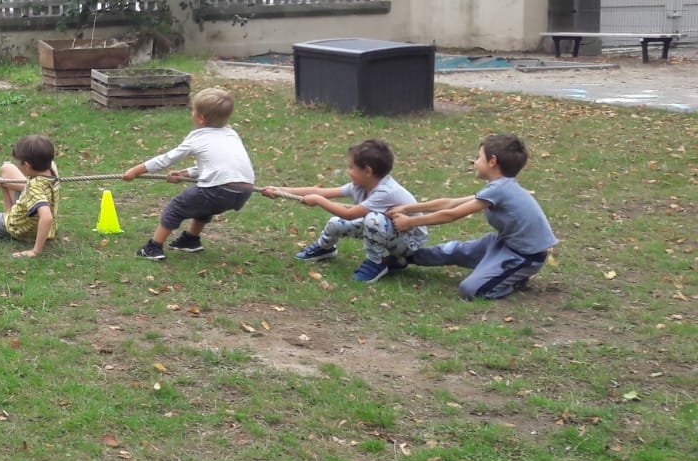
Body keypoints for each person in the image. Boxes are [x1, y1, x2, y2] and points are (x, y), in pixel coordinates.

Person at [387, 132, 557, 301]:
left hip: (524, 256)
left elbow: (451, 214)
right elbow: (450, 203)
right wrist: (406, 208)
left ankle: (513, 279)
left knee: (470, 290)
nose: (475, 163)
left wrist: (410, 222)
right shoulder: (499, 187)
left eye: (479, 157)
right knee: (453, 250)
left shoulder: (500, 189)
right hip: (502, 243)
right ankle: (403, 259)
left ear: (492, 161)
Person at [262, 138, 428, 284]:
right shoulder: (360, 185)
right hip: (388, 232)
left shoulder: (385, 191)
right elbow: (321, 191)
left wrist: (319, 201)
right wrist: (278, 190)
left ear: (368, 171)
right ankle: (325, 248)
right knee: (336, 223)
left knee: (374, 219)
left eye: (351, 167)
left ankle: (376, 263)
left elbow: (349, 214)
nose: (348, 171)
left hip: (408, 243)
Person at [123, 86, 254, 259]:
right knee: (204, 207)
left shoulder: (197, 137)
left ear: (200, 118)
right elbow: (220, 166)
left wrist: (135, 170)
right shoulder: (231, 134)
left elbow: (166, 159)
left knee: (176, 207)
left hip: (218, 187)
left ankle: (153, 248)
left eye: (193, 110)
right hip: (243, 190)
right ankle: (190, 240)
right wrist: (187, 173)